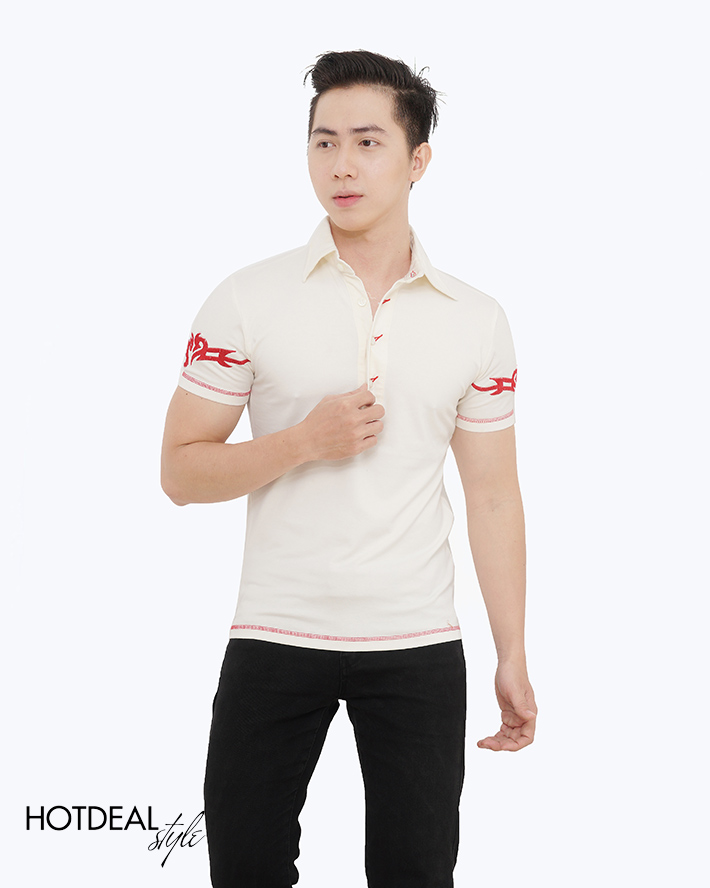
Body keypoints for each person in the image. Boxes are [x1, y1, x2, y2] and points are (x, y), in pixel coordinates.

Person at [161, 49, 537, 888]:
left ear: (418, 159)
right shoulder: (247, 297)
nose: (341, 165)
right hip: (274, 632)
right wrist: (301, 441)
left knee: (416, 876)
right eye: (323, 142)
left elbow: (493, 497)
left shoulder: (477, 319)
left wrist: (511, 651)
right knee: (244, 871)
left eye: (368, 142)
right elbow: (180, 474)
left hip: (418, 644)